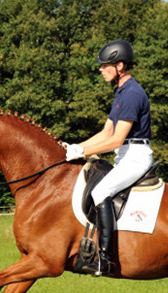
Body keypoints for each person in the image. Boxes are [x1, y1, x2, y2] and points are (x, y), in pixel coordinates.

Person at [66, 40, 153, 276]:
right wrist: (74, 147)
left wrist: (81, 152)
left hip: (135, 156)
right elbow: (106, 132)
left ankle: (105, 259)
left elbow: (115, 140)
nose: (100, 69)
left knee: (99, 192)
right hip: (125, 155)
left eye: (106, 65)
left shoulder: (133, 94)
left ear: (120, 66)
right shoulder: (121, 93)